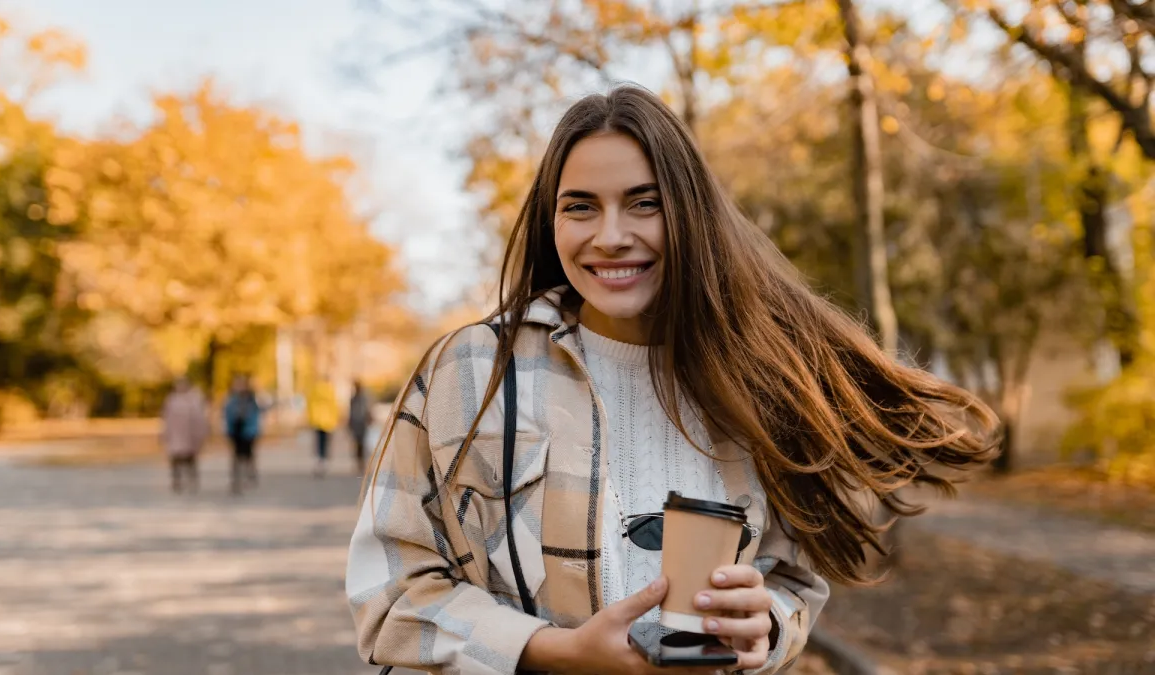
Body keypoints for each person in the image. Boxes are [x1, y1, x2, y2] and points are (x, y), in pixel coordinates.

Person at [345, 86, 998, 674]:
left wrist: (763, 624)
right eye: (580, 207)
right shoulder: (471, 371)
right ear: (552, 222)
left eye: (643, 203)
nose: (610, 235)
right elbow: (391, 593)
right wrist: (555, 651)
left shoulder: (758, 377)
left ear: (688, 213)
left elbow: (793, 581)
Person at [160, 377, 209, 494]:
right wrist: (165, 433)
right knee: (175, 458)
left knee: (190, 459)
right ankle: (177, 481)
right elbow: (166, 418)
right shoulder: (171, 400)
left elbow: (199, 419)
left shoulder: (194, 400)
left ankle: (192, 479)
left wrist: (200, 434)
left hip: (190, 435)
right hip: (176, 434)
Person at [223, 374, 261, 495]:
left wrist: (254, 430)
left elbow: (256, 415)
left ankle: (249, 475)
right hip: (235, 431)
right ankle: (237, 479)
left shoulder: (251, 400)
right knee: (236, 456)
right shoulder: (231, 400)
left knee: (248, 455)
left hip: (248, 431)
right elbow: (227, 415)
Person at [306, 377, 340, 478]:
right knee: (325, 443)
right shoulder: (330, 391)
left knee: (318, 442)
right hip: (328, 421)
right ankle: (324, 462)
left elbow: (310, 405)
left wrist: (311, 419)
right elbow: (334, 406)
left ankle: (318, 462)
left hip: (317, 420)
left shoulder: (314, 390)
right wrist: (334, 420)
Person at [347, 379, 372, 473]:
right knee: (357, 444)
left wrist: (369, 418)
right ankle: (359, 462)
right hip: (355, 423)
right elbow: (351, 411)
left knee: (362, 443)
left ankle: (362, 462)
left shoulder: (364, 398)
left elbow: (367, 409)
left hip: (362, 423)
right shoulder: (353, 399)